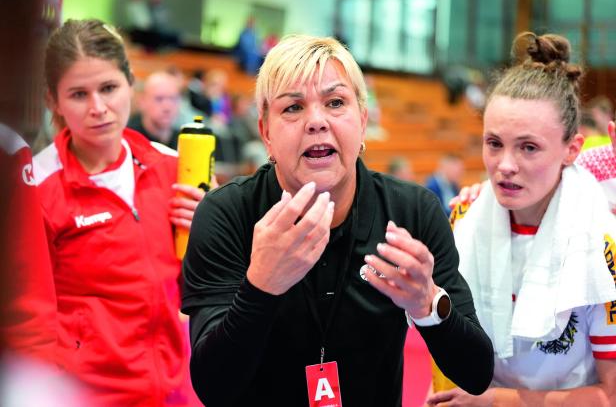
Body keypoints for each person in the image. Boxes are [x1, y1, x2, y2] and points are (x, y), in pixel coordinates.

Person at [182, 34, 494, 407]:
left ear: (362, 122)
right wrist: (261, 286)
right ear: (265, 132)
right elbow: (213, 388)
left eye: (335, 102)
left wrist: (428, 304)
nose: (316, 121)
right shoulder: (226, 214)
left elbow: (476, 374)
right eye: (293, 108)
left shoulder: (412, 212)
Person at [429, 32, 616, 406]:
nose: (505, 167)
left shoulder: (602, 243)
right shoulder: (463, 219)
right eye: (494, 143)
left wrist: (497, 401)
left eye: (529, 147)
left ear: (572, 149)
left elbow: (610, 396)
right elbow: (447, 363)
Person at [34, 19, 205, 407]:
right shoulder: (39, 187)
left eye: (109, 88)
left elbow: (198, 289)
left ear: (130, 83)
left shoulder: (172, 168)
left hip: (174, 391)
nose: (98, 108)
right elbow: (28, 324)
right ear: (53, 101)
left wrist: (202, 238)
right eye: (79, 94)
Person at [128, 70, 182, 149]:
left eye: (173, 99)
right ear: (142, 101)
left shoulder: (183, 141)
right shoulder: (129, 140)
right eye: (159, 99)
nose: (167, 107)